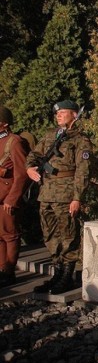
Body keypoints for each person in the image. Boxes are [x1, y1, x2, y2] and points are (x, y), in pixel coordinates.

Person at [27, 99, 92, 294]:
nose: (58, 116)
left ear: (74, 114)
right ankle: (57, 273)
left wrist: (77, 197)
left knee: (68, 235)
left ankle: (67, 276)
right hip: (46, 193)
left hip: (66, 194)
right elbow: (33, 155)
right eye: (57, 113)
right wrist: (29, 169)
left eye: (63, 112)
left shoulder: (81, 140)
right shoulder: (50, 136)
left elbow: (83, 171)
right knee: (50, 234)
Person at [0, 105, 29, 288]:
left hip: (7, 199)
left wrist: (13, 199)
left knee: (10, 235)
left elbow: (22, 173)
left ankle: (8, 272)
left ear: (4, 123)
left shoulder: (14, 142)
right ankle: (2, 269)